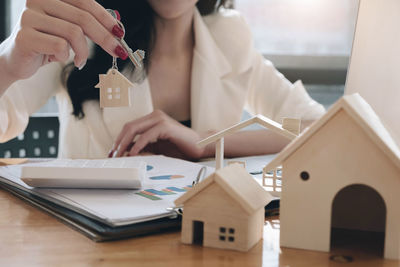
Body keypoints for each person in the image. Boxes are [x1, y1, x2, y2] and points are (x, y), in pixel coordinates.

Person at [0, 0, 324, 160]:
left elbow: (322, 131)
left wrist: (203, 142)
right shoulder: (79, 33)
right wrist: (9, 63)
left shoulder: (229, 37)